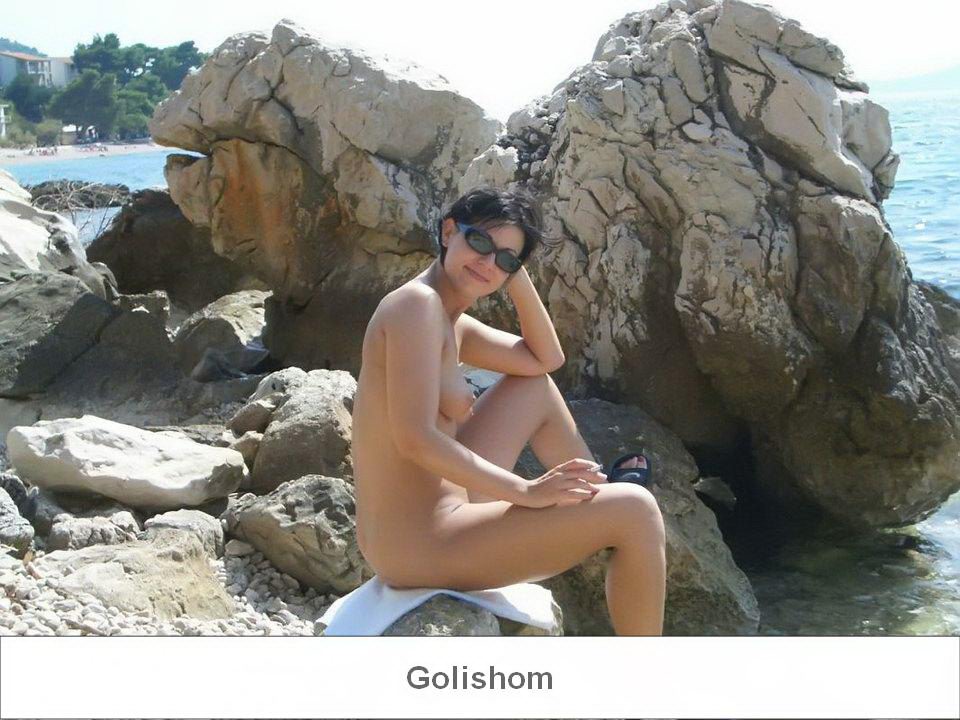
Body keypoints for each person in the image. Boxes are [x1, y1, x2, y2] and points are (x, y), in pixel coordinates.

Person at [351, 185, 666, 635]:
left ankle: (591, 490)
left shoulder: (449, 318)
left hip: (443, 510)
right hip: (418, 544)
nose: (487, 262)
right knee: (637, 509)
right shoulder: (415, 306)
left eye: (505, 259)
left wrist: (511, 271)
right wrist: (526, 491)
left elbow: (545, 359)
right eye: (479, 241)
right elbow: (414, 439)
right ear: (448, 232)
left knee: (532, 387)